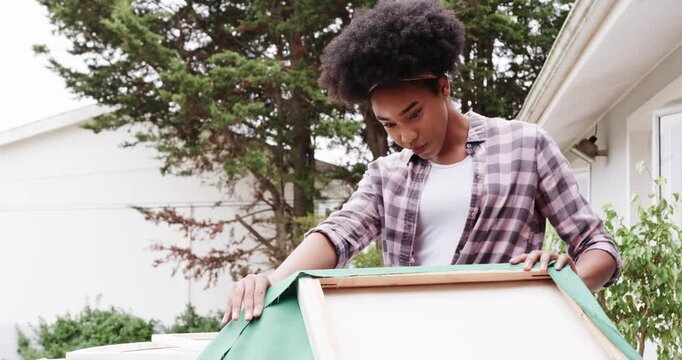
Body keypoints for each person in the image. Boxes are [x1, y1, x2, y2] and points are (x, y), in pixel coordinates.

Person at [220, 0, 620, 326]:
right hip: (411, 337)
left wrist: (558, 284)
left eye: (413, 115)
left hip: (506, 335)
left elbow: (599, 248)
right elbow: (337, 235)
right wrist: (271, 280)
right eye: (389, 124)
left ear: (442, 88)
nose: (405, 137)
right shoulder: (386, 175)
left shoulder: (525, 146)